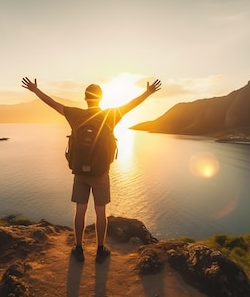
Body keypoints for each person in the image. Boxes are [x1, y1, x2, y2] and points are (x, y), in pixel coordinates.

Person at [21, 76, 161, 263]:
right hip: (100, 172)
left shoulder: (75, 114)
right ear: (100, 98)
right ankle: (100, 250)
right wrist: (148, 92)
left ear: (86, 98)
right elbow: (131, 105)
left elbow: (53, 104)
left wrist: (35, 90)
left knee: (80, 210)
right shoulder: (109, 115)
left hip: (80, 172)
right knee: (100, 212)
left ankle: (78, 249)